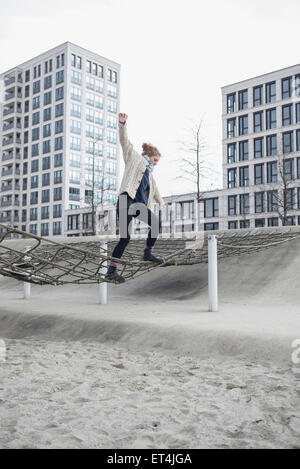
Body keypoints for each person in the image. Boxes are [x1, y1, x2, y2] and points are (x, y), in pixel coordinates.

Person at [106, 113, 164, 283]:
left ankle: (147, 252)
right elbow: (125, 142)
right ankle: (111, 271)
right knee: (125, 238)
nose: (156, 164)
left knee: (156, 223)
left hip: (137, 206)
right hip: (125, 200)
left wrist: (160, 202)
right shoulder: (134, 158)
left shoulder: (149, 174)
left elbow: (155, 190)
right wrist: (122, 124)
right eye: (155, 160)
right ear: (148, 155)